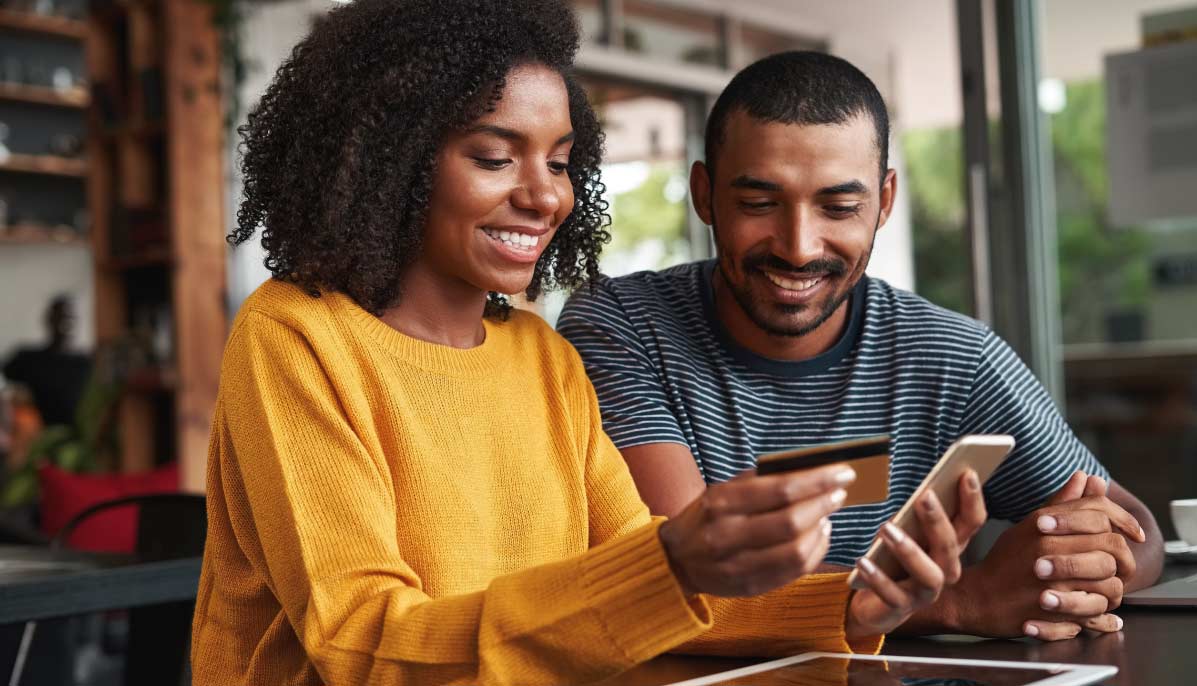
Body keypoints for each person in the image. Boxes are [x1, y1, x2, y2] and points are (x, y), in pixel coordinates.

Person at [190, 4, 985, 685]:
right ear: (392, 161)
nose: (543, 195)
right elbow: (360, 644)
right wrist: (669, 567)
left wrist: (846, 602)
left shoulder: (541, 356)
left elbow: (643, 594)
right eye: (495, 157)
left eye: (562, 163)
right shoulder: (296, 337)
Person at [557, 50, 1165, 643]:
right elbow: (685, 580)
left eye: (840, 206)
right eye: (758, 203)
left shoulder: (952, 356)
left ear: (885, 202)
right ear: (705, 195)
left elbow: (1137, 535)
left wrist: (1071, 569)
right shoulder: (621, 326)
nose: (798, 247)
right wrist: (965, 602)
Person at [2, 295, 91, 427]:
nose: (65, 322)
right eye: (59, 316)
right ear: (49, 319)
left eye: (70, 317)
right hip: (39, 435)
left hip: (78, 435)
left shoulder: (86, 363)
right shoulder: (28, 360)